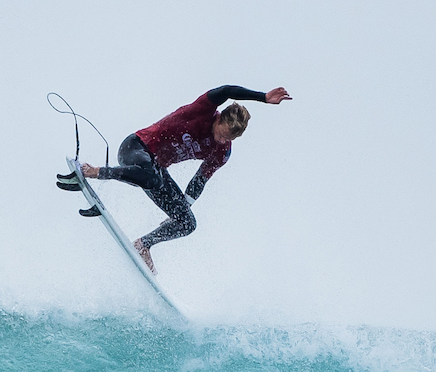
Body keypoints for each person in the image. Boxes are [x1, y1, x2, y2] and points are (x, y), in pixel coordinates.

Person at [79, 84, 291, 272]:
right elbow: (227, 91)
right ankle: (97, 171)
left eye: (228, 138)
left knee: (187, 222)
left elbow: (200, 180)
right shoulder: (203, 111)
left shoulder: (222, 151)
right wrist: (263, 97)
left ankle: (143, 244)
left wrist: (181, 208)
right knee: (151, 176)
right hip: (137, 147)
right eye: (221, 133)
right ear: (218, 119)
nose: (221, 139)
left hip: (156, 169)